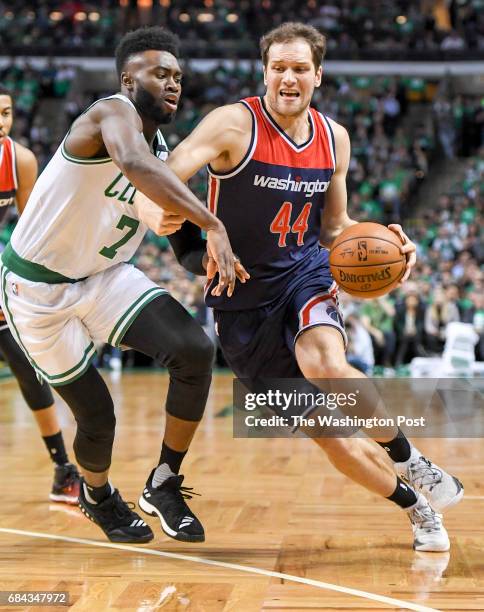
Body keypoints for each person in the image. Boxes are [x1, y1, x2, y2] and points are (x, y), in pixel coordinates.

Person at [142, 22, 464, 552]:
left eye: (299, 68)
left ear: (317, 74)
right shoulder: (231, 125)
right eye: (278, 68)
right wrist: (157, 207)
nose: (288, 78)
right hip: (242, 299)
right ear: (264, 71)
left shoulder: (334, 137)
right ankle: (416, 506)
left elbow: (335, 229)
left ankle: (410, 458)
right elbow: (166, 175)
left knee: (325, 362)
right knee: (331, 437)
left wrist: (386, 241)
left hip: (304, 274)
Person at [0, 26, 239, 544]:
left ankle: (164, 481)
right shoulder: (110, 114)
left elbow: (187, 251)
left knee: (195, 350)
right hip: (37, 291)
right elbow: (130, 163)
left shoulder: (159, 149)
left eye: (178, 76)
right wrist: (215, 224)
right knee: (97, 417)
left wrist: (230, 261)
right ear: (129, 79)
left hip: (103, 277)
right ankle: (97, 495)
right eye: (161, 73)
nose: (173, 83)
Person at [0, 86, 80, 504]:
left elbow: (28, 232)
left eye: (7, 113)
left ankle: (63, 470)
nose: (1, 121)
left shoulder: (21, 160)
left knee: (32, 374)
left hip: (3, 286)